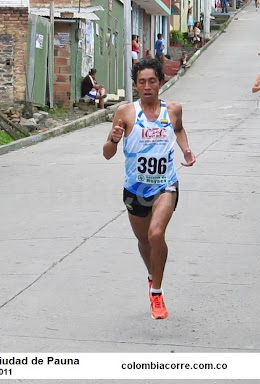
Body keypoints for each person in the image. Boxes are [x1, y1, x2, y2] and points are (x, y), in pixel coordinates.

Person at [102, 58, 196, 319]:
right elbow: (108, 154)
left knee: (156, 235)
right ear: (135, 85)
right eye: (141, 82)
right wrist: (113, 139)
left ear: (161, 82)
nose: (147, 86)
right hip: (134, 189)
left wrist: (186, 151)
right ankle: (152, 274)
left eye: (152, 81)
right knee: (144, 240)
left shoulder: (173, 109)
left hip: (166, 184)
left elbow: (178, 129)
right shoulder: (125, 113)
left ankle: (157, 293)